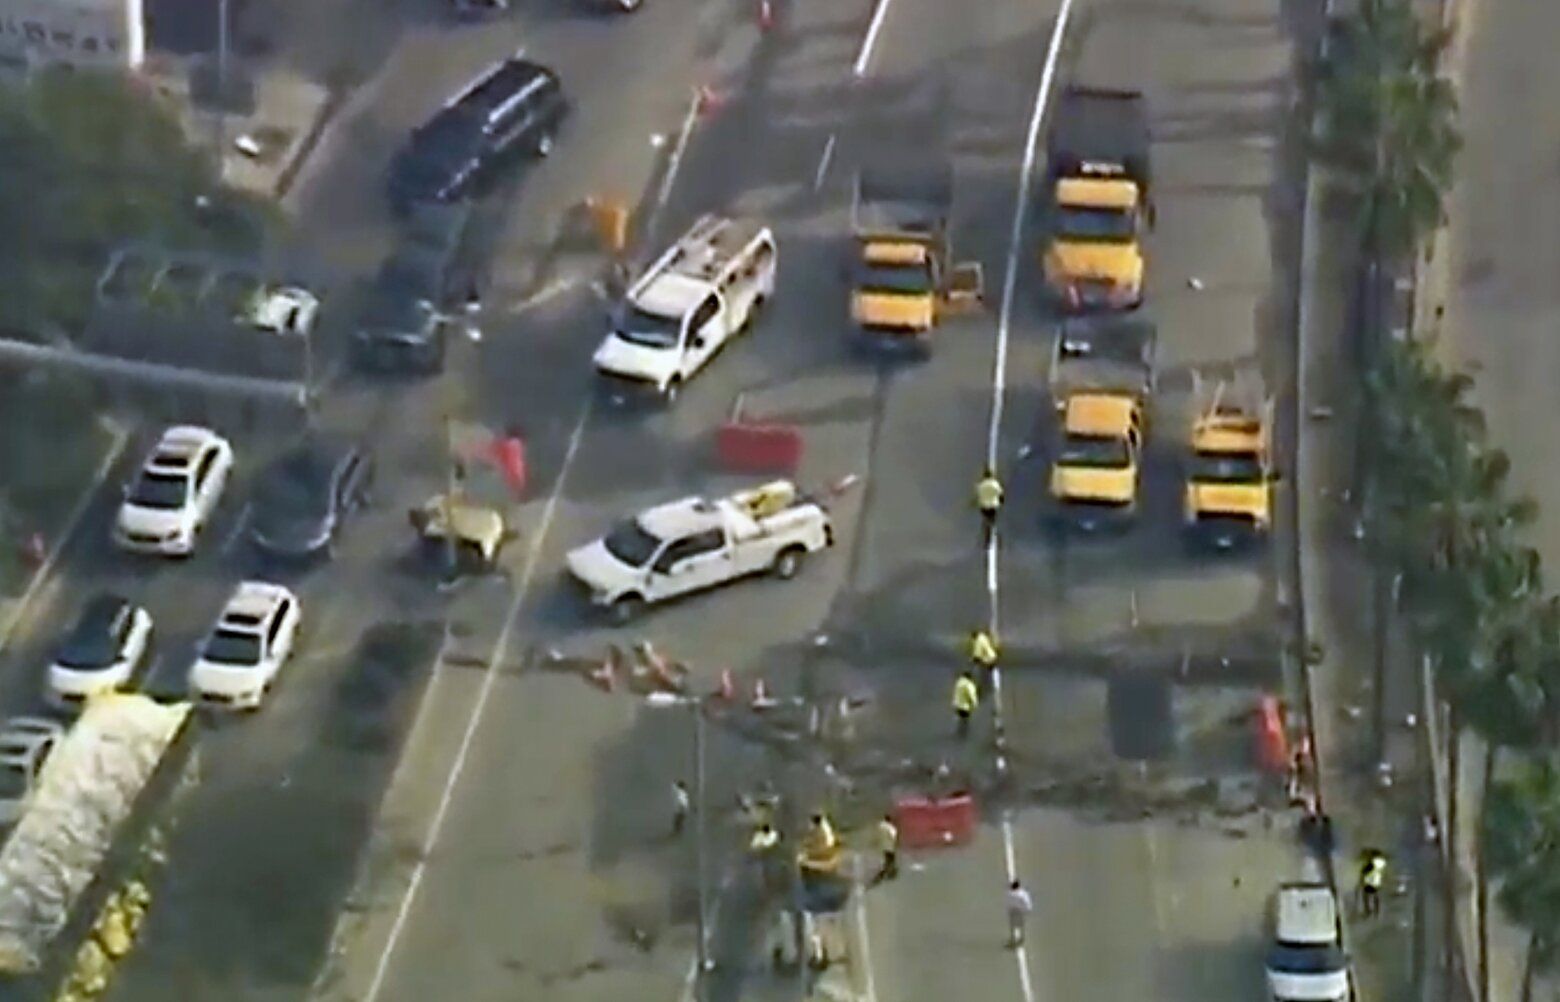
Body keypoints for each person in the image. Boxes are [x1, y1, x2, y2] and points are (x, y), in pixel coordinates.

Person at [975, 466, 1004, 548]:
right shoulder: (995, 484)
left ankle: (987, 538)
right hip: (993, 505)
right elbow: (1000, 494)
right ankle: (996, 538)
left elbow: (978, 495)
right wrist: (1000, 502)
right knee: (993, 522)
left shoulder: (981, 485)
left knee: (986, 521)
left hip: (984, 506)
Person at [951, 672, 979, 740]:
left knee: (960, 716)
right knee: (965, 719)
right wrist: (975, 704)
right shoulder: (969, 685)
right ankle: (963, 732)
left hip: (957, 704)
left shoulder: (959, 682)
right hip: (965, 706)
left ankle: (959, 729)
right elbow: (972, 696)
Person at [1005, 878, 1033, 948]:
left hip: (1013, 911)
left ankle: (1013, 938)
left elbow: (1008, 903)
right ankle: (1021, 938)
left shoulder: (1009, 894)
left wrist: (1008, 910)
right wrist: (1028, 909)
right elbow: (1026, 902)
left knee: (1012, 925)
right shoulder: (1023, 894)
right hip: (1020, 911)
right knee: (1021, 925)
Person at [1359, 850, 1387, 917]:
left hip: (1369, 883)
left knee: (1367, 897)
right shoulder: (1381, 863)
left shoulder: (1371, 863)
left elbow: (1364, 871)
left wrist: (1362, 879)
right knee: (1375, 896)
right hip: (1376, 882)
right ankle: (1376, 911)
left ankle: (1368, 910)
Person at [874, 814, 900, 883]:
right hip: (889, 846)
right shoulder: (891, 828)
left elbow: (876, 835)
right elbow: (893, 837)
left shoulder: (880, 826)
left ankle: (885, 871)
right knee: (891, 860)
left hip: (882, 846)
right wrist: (896, 844)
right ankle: (888, 872)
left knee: (886, 858)